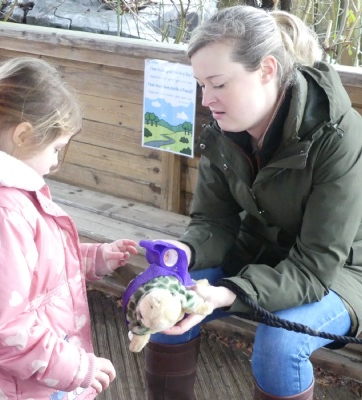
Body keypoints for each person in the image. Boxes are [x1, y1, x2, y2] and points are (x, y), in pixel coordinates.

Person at [143, 5, 362, 400]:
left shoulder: (337, 136)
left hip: (342, 270)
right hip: (262, 253)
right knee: (169, 289)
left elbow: (314, 268)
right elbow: (214, 223)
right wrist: (185, 252)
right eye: (201, 85)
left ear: (267, 70)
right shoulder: (225, 127)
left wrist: (231, 291)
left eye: (218, 84)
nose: (207, 99)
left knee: (279, 342)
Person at [0, 57, 138, 400]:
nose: (56, 161)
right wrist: (75, 367)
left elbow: (33, 266)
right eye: (56, 148)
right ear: (23, 135)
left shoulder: (4, 195)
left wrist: (95, 258)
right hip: (11, 388)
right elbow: (3, 329)